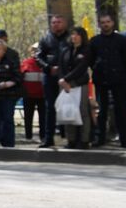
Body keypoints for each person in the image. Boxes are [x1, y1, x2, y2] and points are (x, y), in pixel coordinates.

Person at [87, 14, 126, 148]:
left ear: (112, 23)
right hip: (101, 79)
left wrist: (125, 76)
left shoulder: (122, 40)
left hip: (119, 80)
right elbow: (90, 60)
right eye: (103, 22)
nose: (105, 24)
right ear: (99, 24)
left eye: (108, 22)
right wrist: (97, 68)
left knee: (121, 109)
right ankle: (100, 138)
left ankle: (124, 139)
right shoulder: (94, 41)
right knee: (102, 110)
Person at [35, 15, 69, 148]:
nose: (56, 25)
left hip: (67, 78)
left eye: (59, 22)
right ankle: (48, 138)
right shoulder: (45, 38)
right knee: (50, 108)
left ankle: (68, 137)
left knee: (67, 107)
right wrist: (48, 68)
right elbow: (38, 57)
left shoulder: (70, 38)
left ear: (65, 23)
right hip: (49, 78)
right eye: (53, 22)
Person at [57, 26, 93, 148]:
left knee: (83, 112)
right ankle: (71, 140)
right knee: (68, 111)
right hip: (65, 86)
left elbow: (81, 68)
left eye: (77, 34)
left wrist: (66, 79)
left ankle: (84, 140)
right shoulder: (66, 50)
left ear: (82, 36)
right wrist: (62, 81)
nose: (74, 37)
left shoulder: (86, 50)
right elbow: (61, 67)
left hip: (80, 84)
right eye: (72, 34)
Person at [20, 44, 45, 140]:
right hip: (28, 95)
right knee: (28, 117)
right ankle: (28, 136)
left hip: (42, 95)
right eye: (34, 50)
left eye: (38, 50)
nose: (36, 52)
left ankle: (43, 136)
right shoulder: (26, 63)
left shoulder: (45, 63)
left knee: (43, 117)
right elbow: (21, 77)